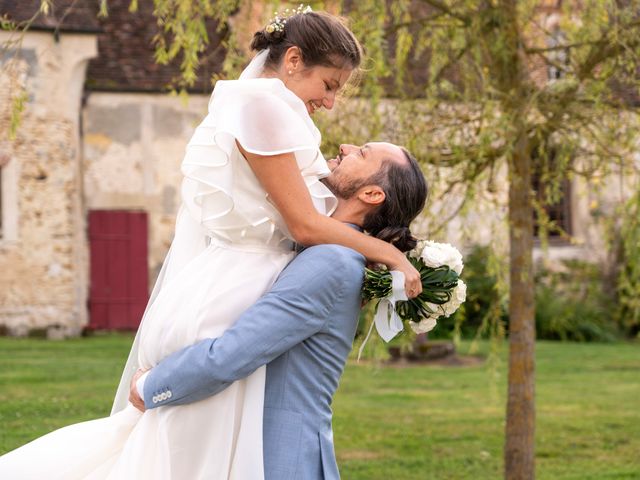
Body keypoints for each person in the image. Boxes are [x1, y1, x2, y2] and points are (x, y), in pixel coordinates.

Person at [0, 9, 421, 480]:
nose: (331, 101)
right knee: (195, 445)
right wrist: (388, 253)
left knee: (194, 444)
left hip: (242, 279)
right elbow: (304, 225)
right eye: (329, 84)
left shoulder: (272, 112)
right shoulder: (264, 109)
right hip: (239, 285)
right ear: (294, 60)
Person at [128, 141, 429, 480]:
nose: (346, 146)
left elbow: (233, 353)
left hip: (278, 459)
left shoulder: (331, 262)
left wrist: (150, 386)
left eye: (362, 153)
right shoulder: (321, 250)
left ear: (372, 195)